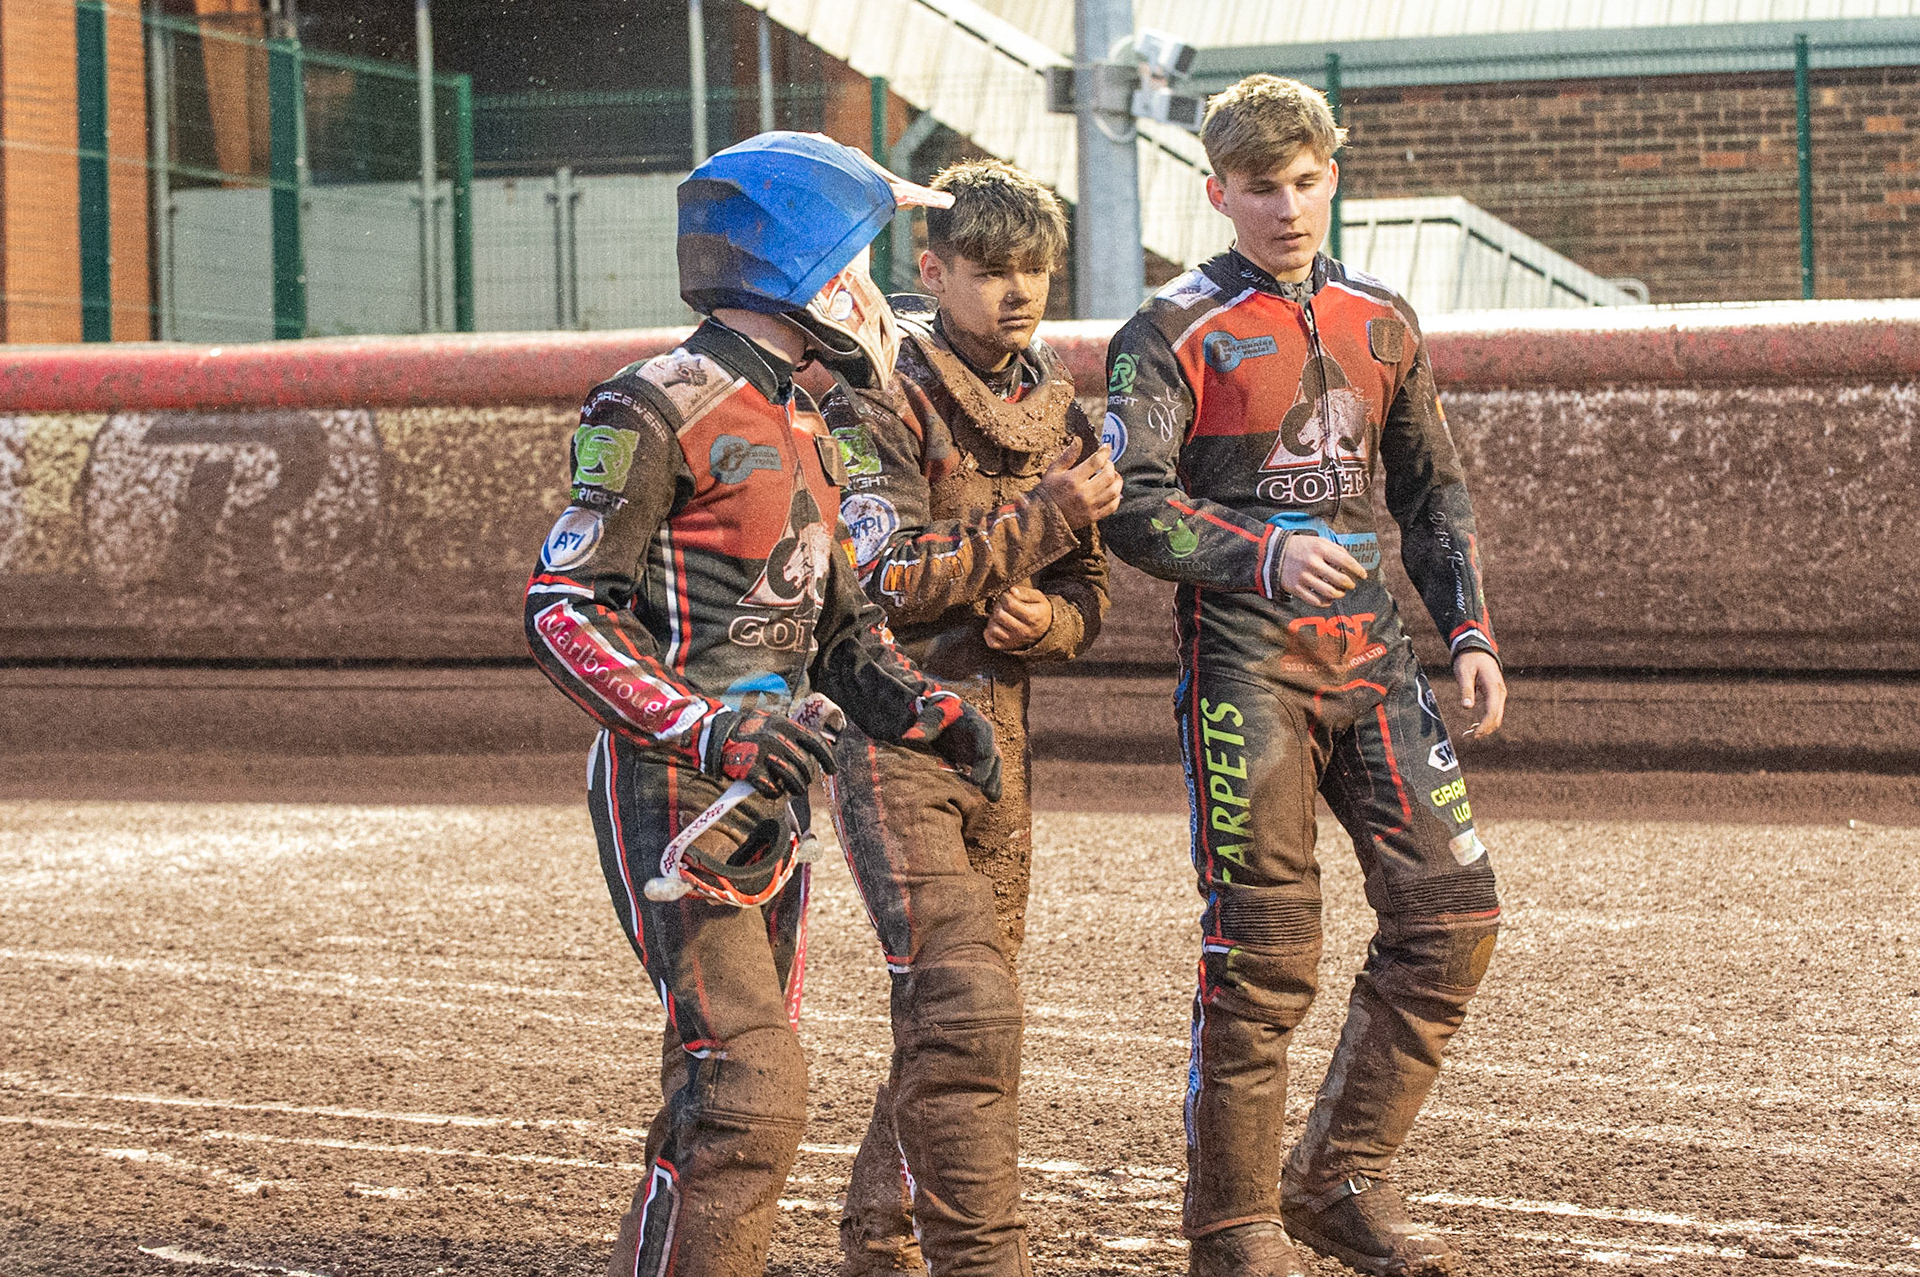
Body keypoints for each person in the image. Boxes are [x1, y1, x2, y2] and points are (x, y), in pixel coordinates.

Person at [523, 131, 1005, 1277]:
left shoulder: (811, 422)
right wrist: (707, 723)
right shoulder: (652, 405)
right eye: (862, 259)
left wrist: (921, 706)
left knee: (730, 1079)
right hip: (679, 789)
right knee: (745, 1080)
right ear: (804, 268)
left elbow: (838, 632)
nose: (878, 294)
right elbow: (562, 608)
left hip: (771, 794)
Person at [1100, 76, 1506, 1277]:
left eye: (1306, 179)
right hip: (1245, 670)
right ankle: (1231, 1228)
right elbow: (1131, 508)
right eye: (1260, 186)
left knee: (1453, 920)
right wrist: (1264, 549)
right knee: (1266, 952)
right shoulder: (1167, 333)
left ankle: (1338, 1178)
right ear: (1216, 192)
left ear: (1334, 173)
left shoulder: (1386, 321)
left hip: (1376, 664)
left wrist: (1470, 631)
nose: (1286, 205)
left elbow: (1430, 493)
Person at [821, 159, 1116, 1277]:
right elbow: (883, 573)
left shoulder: (1057, 403)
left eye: (1034, 269)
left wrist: (1051, 625)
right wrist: (1046, 515)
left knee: (960, 1010)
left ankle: (877, 1238)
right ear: (932, 269)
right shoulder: (879, 390)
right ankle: (971, 1255)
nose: (1018, 291)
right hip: (888, 732)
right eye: (991, 269)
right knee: (965, 1000)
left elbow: (1091, 588)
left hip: (1003, 741)